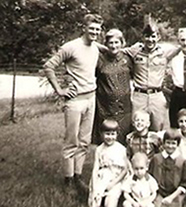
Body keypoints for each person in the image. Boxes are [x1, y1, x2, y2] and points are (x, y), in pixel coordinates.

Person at [43, 14, 103, 189]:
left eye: (98, 29)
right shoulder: (71, 47)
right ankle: (68, 180)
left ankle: (78, 177)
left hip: (91, 98)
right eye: (91, 28)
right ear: (84, 27)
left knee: (84, 141)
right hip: (75, 101)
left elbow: (108, 48)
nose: (94, 32)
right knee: (71, 141)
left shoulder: (95, 47)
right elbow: (48, 66)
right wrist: (60, 90)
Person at [92, 29, 133, 146]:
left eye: (117, 42)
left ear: (122, 43)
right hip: (105, 107)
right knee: (106, 138)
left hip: (123, 108)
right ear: (106, 44)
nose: (114, 46)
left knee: (123, 139)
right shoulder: (99, 59)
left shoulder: (128, 59)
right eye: (111, 43)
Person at [88, 119, 129, 207]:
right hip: (103, 177)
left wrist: (113, 183)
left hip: (116, 179)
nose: (110, 137)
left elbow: (125, 170)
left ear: (117, 134)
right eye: (107, 134)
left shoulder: (121, 149)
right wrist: (94, 186)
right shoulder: (99, 149)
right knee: (94, 201)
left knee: (110, 203)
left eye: (112, 134)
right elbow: (96, 168)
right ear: (102, 134)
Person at [148, 128, 186, 207]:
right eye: (168, 143)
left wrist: (171, 197)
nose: (170, 146)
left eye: (173, 143)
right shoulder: (156, 158)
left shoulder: (181, 161)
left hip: (175, 193)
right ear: (163, 143)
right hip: (158, 192)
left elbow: (185, 182)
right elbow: (150, 177)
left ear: (177, 144)